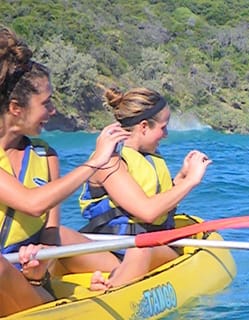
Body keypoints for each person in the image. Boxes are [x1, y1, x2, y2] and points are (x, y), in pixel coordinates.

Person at [0, 26, 128, 316]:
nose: (53, 111)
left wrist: (38, 271)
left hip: (30, 284)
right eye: (46, 103)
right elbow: (33, 204)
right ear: (15, 108)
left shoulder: (46, 156)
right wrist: (93, 162)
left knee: (87, 251)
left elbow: (50, 233)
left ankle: (110, 286)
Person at [72, 86, 212, 291]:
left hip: (152, 249)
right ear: (144, 126)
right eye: (163, 127)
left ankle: (111, 287)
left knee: (140, 248)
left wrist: (181, 179)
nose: (165, 134)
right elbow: (148, 211)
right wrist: (192, 181)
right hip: (110, 251)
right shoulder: (109, 161)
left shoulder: (148, 156)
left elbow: (154, 203)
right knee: (54, 234)